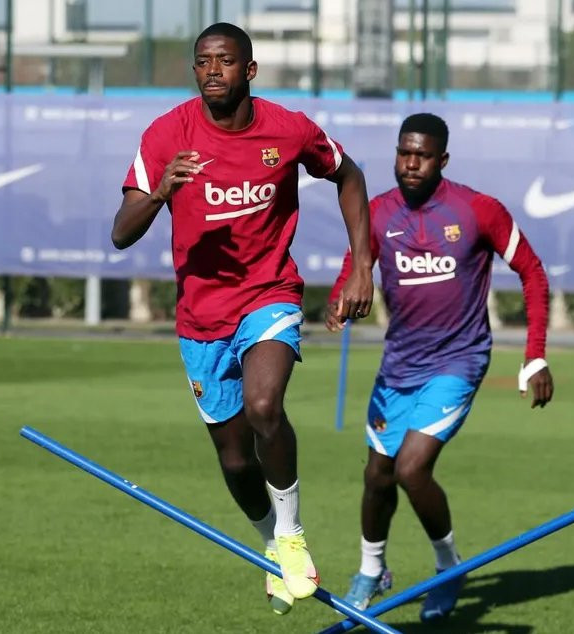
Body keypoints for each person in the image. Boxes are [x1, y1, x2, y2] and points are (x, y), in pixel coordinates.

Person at [110, 22, 374, 615]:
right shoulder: (166, 135)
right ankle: (273, 555)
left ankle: (292, 535)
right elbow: (120, 233)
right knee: (233, 458)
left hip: (270, 296)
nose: (212, 71)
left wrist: (361, 266)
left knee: (264, 406)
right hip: (201, 318)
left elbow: (349, 174)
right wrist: (158, 193)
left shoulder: (289, 129)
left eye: (225, 61)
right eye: (203, 61)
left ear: (249, 70)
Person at [324, 113, 553, 622]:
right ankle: (372, 570)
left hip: (459, 359)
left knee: (410, 468)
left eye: (422, 155)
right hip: (399, 364)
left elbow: (532, 272)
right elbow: (354, 270)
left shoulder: (477, 210)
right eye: (404, 153)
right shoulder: (377, 212)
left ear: (442, 160)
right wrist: (340, 299)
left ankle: (449, 568)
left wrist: (534, 353)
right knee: (377, 475)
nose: (410, 163)